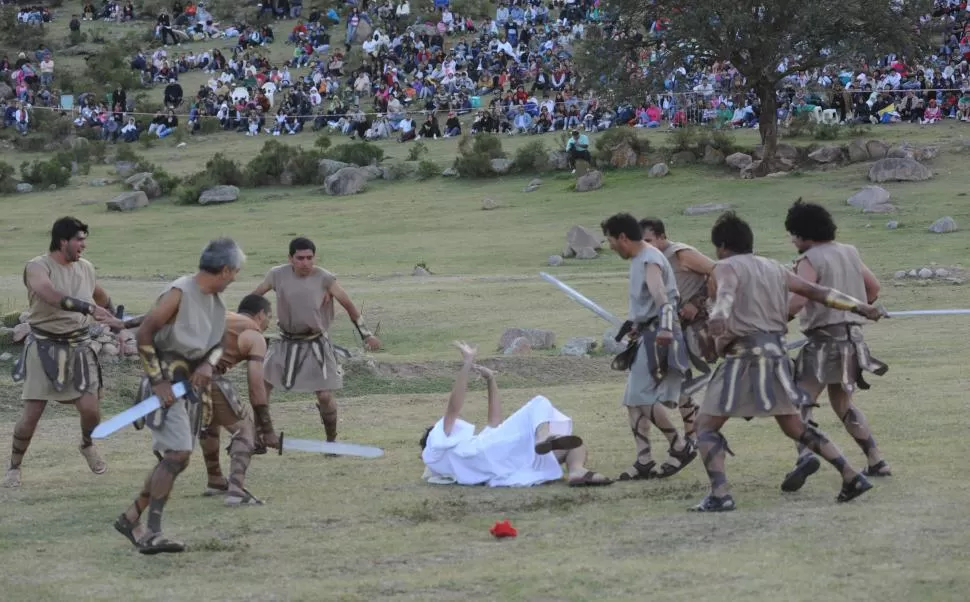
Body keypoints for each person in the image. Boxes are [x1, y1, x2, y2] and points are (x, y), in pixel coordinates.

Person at [692, 212, 885, 512]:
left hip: (743, 359)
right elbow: (819, 293)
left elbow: (727, 292)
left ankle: (720, 494)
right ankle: (851, 475)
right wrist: (859, 307)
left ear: (722, 246)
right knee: (796, 426)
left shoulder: (725, 267)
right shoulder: (774, 267)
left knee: (705, 427)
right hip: (777, 358)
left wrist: (718, 315)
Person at [113, 238, 244, 554]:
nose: (235, 278)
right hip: (166, 386)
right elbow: (145, 332)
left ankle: (132, 518)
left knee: (177, 458)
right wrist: (158, 382)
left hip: (187, 389)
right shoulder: (180, 292)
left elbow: (218, 346)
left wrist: (208, 366)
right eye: (235, 272)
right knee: (177, 455)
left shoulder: (214, 302)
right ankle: (152, 531)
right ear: (225, 270)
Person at [2, 217, 129, 489]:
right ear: (63, 241)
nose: (84, 245)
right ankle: (14, 465)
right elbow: (51, 295)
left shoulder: (86, 268)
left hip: (80, 348)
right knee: (31, 415)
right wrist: (89, 308)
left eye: (84, 239)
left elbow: (100, 296)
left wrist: (117, 322)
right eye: (79, 239)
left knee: (91, 410)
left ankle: (86, 444)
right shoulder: (37, 267)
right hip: (44, 347)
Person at [780, 200, 890, 492]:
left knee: (797, 402)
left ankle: (805, 456)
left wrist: (778, 320)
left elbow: (801, 297)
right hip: (854, 340)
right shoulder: (849, 252)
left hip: (823, 342)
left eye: (794, 234)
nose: (793, 240)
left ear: (804, 233)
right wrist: (857, 310)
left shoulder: (810, 259)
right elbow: (873, 288)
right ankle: (876, 460)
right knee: (843, 404)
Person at [420, 341, 612, 487]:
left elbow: (494, 421)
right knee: (539, 402)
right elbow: (453, 408)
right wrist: (467, 363)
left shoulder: (465, 450)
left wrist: (490, 379)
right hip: (501, 454)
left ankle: (576, 471)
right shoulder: (435, 449)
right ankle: (543, 438)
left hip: (511, 460)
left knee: (574, 444)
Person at [251, 237, 380, 443]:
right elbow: (254, 298)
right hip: (285, 342)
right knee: (263, 385)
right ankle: (262, 435)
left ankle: (331, 440)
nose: (305, 263)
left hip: (316, 344)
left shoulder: (325, 278)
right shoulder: (277, 275)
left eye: (309, 258)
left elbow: (348, 304)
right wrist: (244, 323)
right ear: (290, 258)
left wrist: (367, 334)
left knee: (324, 395)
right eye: (300, 258)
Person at [601, 213, 697, 482]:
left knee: (640, 398)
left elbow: (662, 299)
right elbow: (648, 302)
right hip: (647, 332)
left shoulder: (650, 259)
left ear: (622, 237)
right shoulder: (638, 259)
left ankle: (679, 446)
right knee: (633, 400)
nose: (609, 246)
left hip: (659, 335)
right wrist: (636, 323)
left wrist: (664, 328)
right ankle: (644, 459)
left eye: (610, 240)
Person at [639, 217, 718, 444]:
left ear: (662, 237)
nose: (645, 246)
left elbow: (717, 271)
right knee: (677, 381)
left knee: (681, 380)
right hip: (672, 328)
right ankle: (693, 432)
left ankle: (694, 433)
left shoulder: (680, 254)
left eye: (649, 240)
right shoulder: (649, 262)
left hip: (697, 327)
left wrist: (697, 302)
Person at [200, 294, 281, 506]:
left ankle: (216, 480)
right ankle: (236, 490)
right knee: (245, 430)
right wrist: (266, 429)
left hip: (171, 374)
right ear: (260, 314)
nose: (268, 323)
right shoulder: (254, 334)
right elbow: (256, 387)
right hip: (204, 375)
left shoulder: (222, 316)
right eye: (269, 317)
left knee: (211, 421)